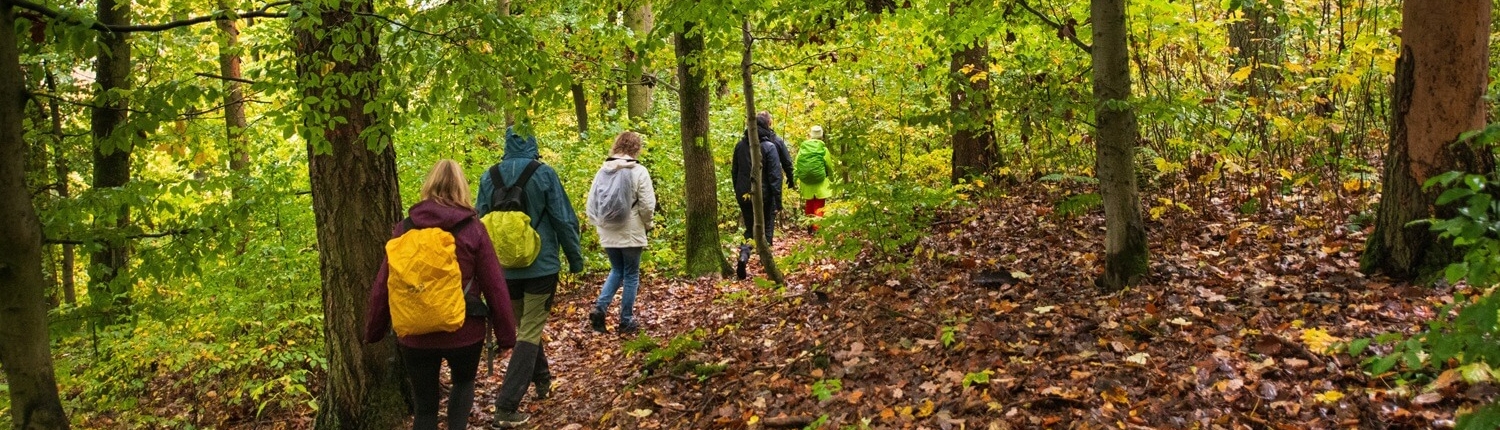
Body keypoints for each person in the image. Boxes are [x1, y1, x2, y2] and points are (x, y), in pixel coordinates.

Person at [363, 159, 517, 430]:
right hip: (465, 329)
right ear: (462, 188)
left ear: (429, 186)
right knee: (463, 384)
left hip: (415, 331)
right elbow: (494, 284)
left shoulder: (404, 229)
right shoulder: (473, 228)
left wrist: (374, 330)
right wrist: (506, 336)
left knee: (425, 408)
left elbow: (383, 284)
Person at [478, 127, 585, 428]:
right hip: (541, 266)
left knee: (527, 326)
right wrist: (575, 259)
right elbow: (563, 219)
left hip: (504, 270)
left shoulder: (490, 176)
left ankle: (543, 382)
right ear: (533, 143)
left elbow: (479, 224)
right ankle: (506, 405)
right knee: (529, 331)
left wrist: (482, 271)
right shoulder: (544, 173)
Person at [585, 131, 658, 334]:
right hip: (631, 230)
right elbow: (647, 204)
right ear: (636, 148)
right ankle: (626, 320)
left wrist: (599, 225)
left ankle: (600, 308)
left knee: (617, 270)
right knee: (631, 274)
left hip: (607, 229)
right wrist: (648, 224)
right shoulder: (639, 171)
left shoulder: (604, 169)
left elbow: (593, 202)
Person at [731, 111, 795, 280]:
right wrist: (778, 200)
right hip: (764, 196)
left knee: (750, 228)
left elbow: (734, 172)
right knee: (766, 228)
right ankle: (766, 263)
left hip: (744, 194)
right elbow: (775, 176)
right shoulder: (770, 146)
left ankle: (744, 255)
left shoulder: (740, 145)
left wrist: (739, 192)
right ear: (767, 125)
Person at [794, 125, 834, 232]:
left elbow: (797, 165)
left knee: (809, 204)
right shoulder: (823, 149)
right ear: (821, 136)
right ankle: (817, 229)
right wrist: (832, 179)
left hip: (806, 183)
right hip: (821, 183)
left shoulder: (803, 149)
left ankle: (809, 226)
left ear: (810, 135)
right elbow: (829, 166)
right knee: (819, 206)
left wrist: (793, 180)